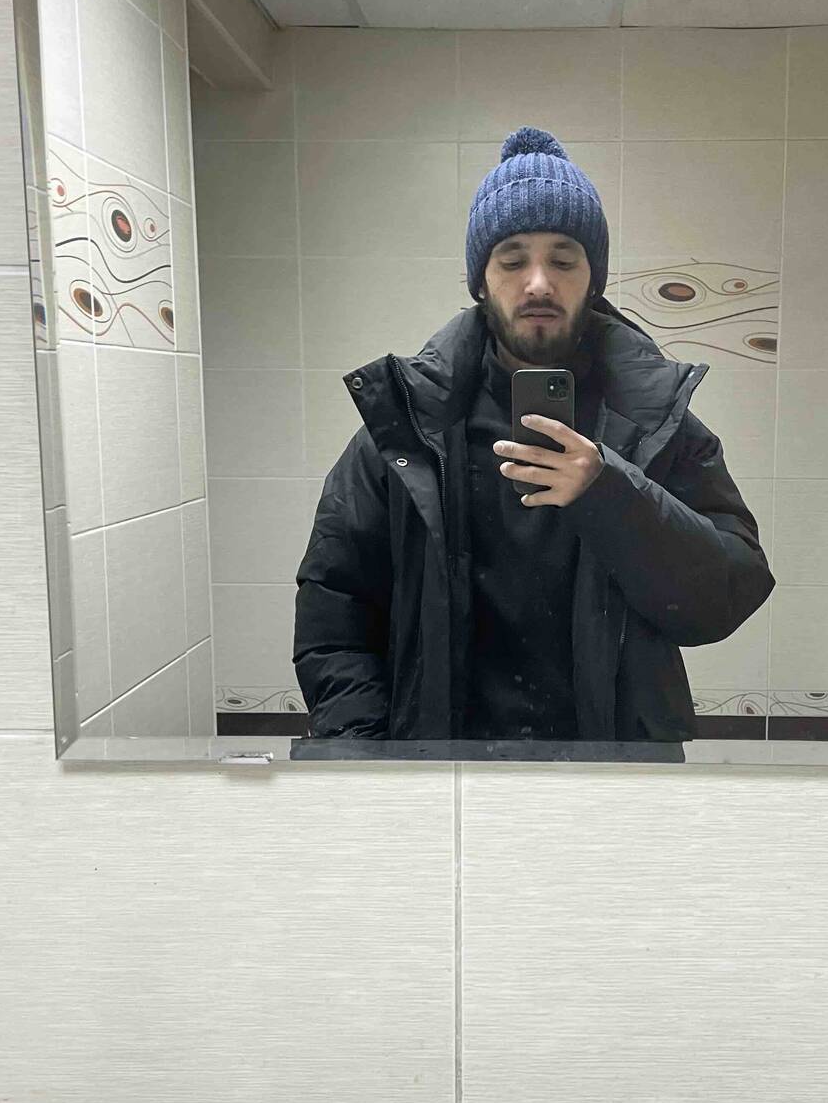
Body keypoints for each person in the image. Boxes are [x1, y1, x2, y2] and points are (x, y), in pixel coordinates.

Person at [293, 125, 774, 742]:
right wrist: (372, 757)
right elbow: (334, 610)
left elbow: (726, 597)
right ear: (480, 281)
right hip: (443, 768)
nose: (539, 283)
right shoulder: (406, 428)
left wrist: (611, 493)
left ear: (593, 279)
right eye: (513, 260)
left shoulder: (656, 422)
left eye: (564, 261)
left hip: (617, 770)